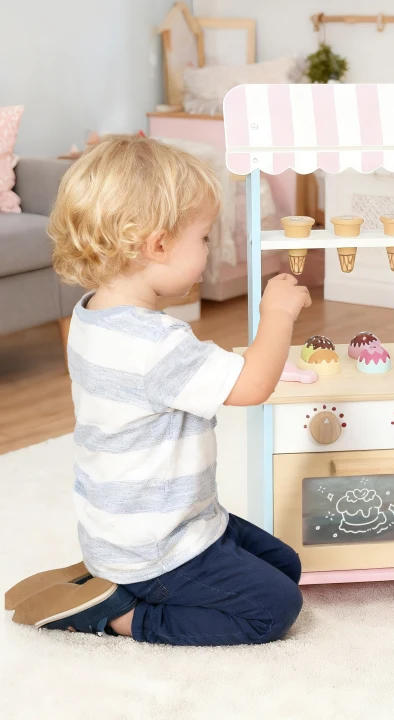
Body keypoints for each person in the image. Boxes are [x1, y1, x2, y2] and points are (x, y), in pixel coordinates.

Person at [5, 136, 312, 646]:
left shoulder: (91, 314)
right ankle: (117, 613)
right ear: (158, 245)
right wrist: (277, 313)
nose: (209, 250)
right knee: (275, 606)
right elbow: (253, 384)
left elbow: (177, 376)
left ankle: (103, 573)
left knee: (286, 565)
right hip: (156, 544)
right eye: (205, 238)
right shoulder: (156, 345)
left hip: (155, 524)